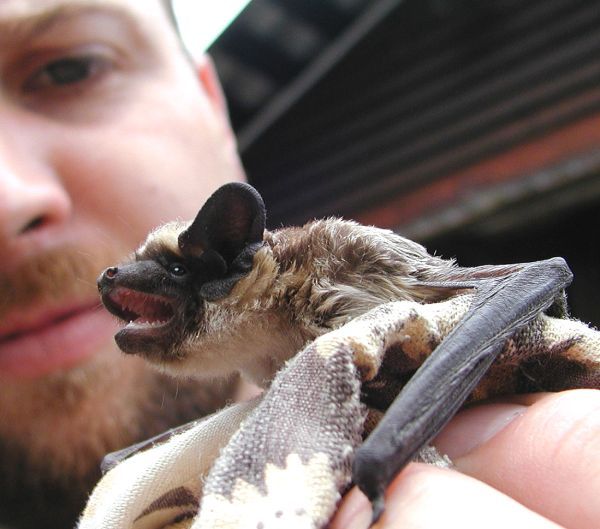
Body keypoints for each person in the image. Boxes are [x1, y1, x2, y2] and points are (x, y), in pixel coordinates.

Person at [0, 1, 597, 528]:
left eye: (68, 68)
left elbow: (527, 286)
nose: (10, 198)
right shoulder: (229, 402)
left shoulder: (333, 277)